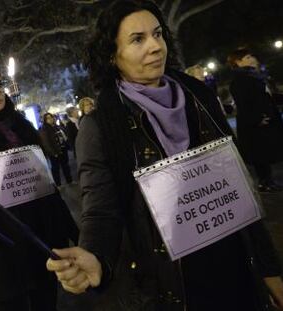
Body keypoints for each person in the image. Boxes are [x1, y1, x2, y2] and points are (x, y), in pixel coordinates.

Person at [46, 1, 283, 310]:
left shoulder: (199, 96)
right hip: (175, 282)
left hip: (236, 262)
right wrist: (95, 256)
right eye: (137, 39)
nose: (155, 46)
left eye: (157, 34)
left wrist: (269, 269)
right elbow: (101, 210)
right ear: (112, 55)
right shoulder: (103, 124)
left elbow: (238, 192)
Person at [0, 64, 78, 310]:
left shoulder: (24, 128)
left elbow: (47, 186)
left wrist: (73, 232)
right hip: (2, 249)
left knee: (47, 302)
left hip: (40, 239)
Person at [228, 47, 283, 193]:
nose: (252, 59)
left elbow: (268, 96)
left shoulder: (257, 76)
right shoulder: (240, 80)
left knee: (266, 152)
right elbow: (244, 103)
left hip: (266, 121)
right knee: (260, 154)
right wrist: (258, 119)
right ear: (237, 62)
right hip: (255, 125)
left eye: (252, 56)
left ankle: (268, 181)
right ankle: (264, 182)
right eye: (247, 57)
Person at [40, 113, 73, 186]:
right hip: (55, 152)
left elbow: (63, 136)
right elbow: (46, 143)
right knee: (55, 169)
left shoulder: (57, 126)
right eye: (48, 118)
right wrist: (52, 153)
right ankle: (58, 184)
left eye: (51, 117)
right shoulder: (45, 129)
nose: (50, 119)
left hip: (62, 149)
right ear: (45, 120)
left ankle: (69, 181)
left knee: (66, 166)